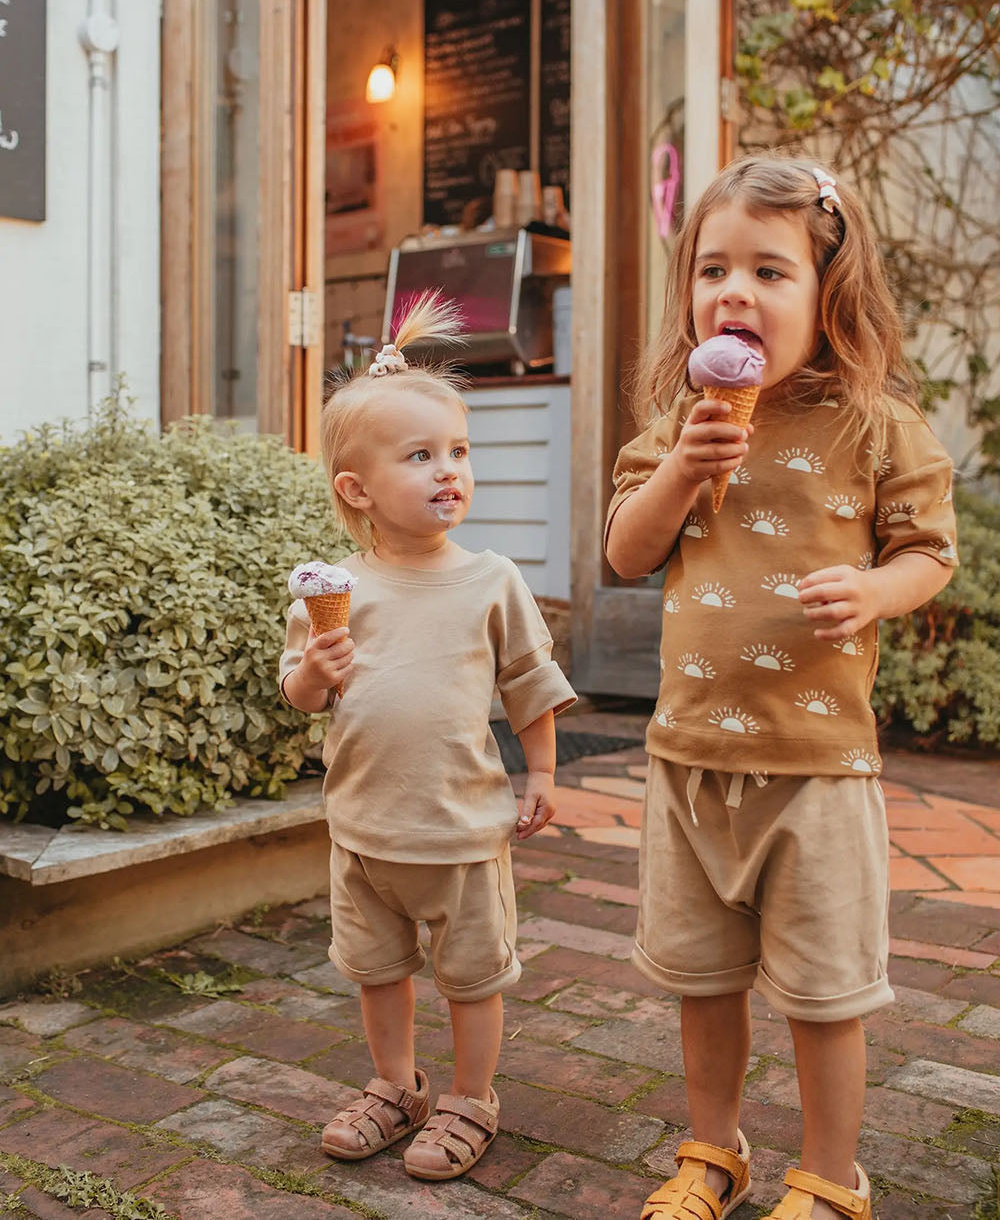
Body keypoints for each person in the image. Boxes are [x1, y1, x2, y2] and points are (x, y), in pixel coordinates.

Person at [605, 155, 957, 1220]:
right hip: (691, 760)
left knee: (823, 993)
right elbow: (626, 551)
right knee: (702, 981)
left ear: (828, 291)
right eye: (713, 269)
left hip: (817, 766)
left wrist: (874, 590)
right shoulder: (679, 423)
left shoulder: (875, 424)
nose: (735, 292)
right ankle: (713, 1150)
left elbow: (928, 550)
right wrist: (683, 467)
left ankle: (833, 1174)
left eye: (769, 271)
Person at [279, 292, 576, 1181]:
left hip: (460, 830)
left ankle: (471, 1095)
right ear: (356, 489)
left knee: (472, 977)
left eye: (459, 451)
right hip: (364, 828)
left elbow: (528, 682)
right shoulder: (334, 592)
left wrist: (542, 771)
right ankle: (396, 1083)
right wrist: (315, 669)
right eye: (421, 456)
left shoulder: (491, 579)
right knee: (377, 970)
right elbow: (299, 695)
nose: (450, 471)